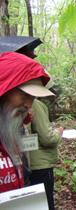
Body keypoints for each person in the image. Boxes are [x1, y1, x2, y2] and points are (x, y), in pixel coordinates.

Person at [0, 52, 54, 193]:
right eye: (24, 95)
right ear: (4, 90)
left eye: (33, 97)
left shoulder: (10, 132)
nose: (28, 104)